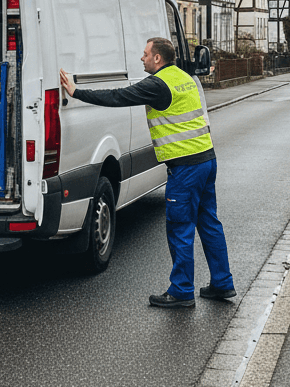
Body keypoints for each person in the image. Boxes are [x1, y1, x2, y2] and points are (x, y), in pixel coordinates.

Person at [59, 37, 235, 309]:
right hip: (206, 160)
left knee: (180, 228)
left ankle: (181, 290)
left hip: (185, 168)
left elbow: (118, 96)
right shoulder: (184, 77)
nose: (141, 58)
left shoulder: (157, 84)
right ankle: (222, 283)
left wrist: (76, 91)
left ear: (157, 58)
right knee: (209, 224)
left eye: (145, 54)